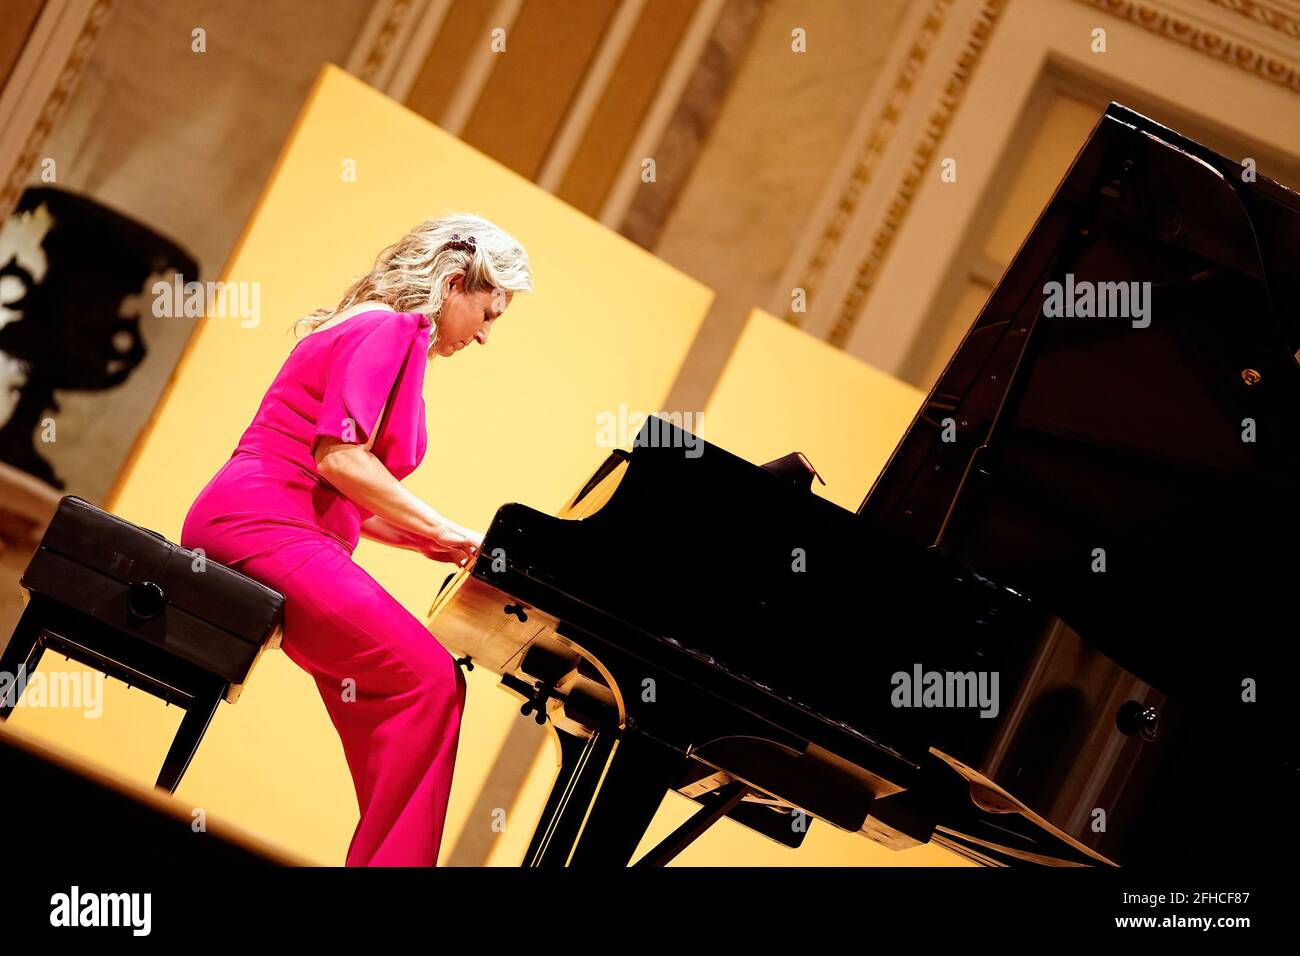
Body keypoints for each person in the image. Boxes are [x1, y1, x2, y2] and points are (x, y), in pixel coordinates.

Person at [180, 213, 533, 865]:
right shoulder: (392, 328)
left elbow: (344, 496)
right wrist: (452, 532)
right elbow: (339, 460)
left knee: (406, 692)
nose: (485, 336)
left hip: (251, 517)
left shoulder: (368, 324)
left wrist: (438, 543)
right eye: (489, 314)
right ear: (455, 284)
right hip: (264, 524)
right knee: (430, 682)